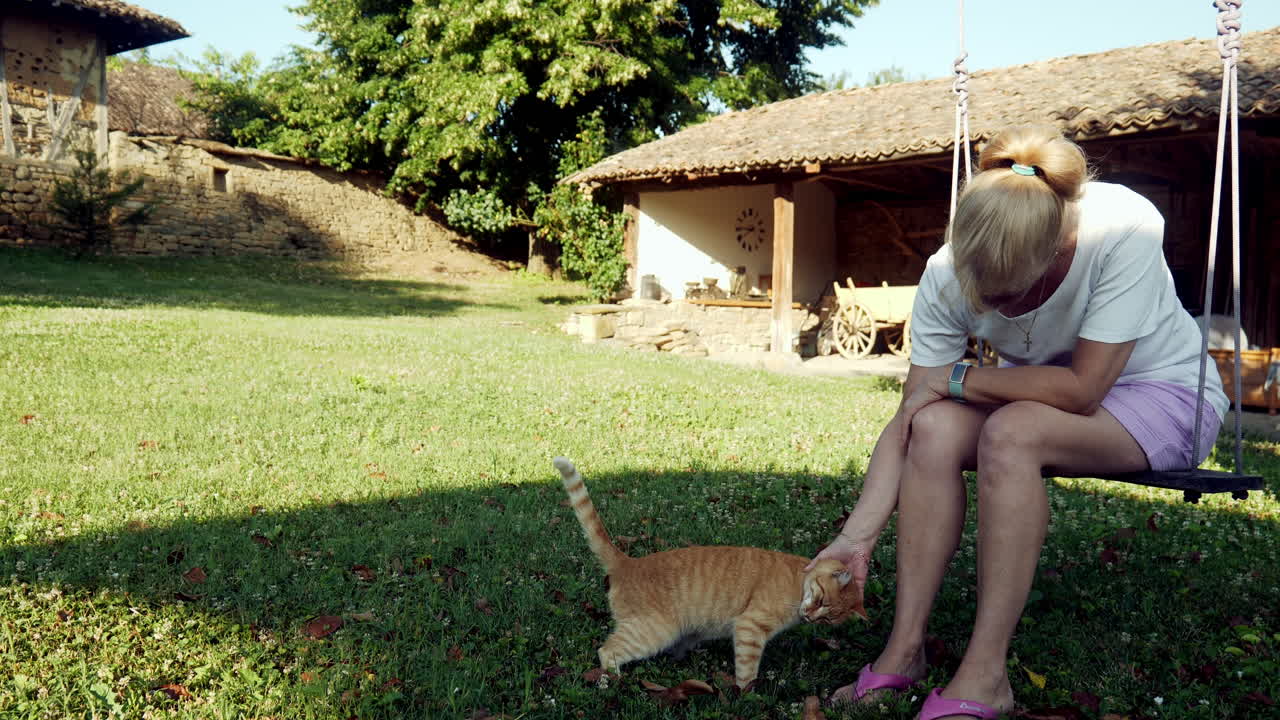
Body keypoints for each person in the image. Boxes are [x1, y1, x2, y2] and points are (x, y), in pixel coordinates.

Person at [807, 124, 1227, 719]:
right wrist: (857, 537)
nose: (993, 306)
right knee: (934, 428)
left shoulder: (1122, 227)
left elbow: (1082, 389)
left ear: (1055, 251)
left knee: (1012, 431)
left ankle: (986, 674)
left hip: (1165, 393)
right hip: (1036, 400)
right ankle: (905, 648)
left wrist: (959, 379)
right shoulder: (946, 271)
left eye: (1006, 296)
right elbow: (914, 408)